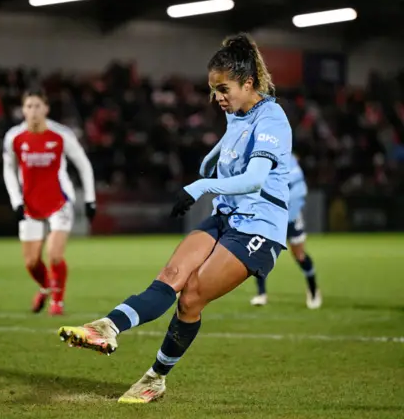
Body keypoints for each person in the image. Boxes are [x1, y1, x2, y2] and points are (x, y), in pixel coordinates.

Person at [57, 33, 292, 403]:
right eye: (213, 90)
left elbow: (256, 178)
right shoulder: (236, 112)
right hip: (227, 218)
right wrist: (214, 158)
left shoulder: (272, 117)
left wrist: (201, 184)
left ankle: (155, 378)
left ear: (249, 83)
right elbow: (231, 142)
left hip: (259, 228)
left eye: (223, 88)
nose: (217, 98)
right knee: (171, 276)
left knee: (191, 297)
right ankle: (106, 327)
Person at [3, 89, 96, 316]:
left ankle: (57, 301)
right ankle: (45, 287)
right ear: (23, 110)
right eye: (29, 106)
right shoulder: (14, 137)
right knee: (32, 262)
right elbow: (9, 170)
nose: (33, 111)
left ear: (46, 109)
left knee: (54, 255)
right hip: (30, 204)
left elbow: (83, 164)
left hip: (59, 200)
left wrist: (90, 199)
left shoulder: (61, 134)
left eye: (37, 106)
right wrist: (16, 201)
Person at [250, 153, 321, 308]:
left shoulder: (289, 160)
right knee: (259, 254)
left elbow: (299, 188)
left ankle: (313, 289)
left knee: (299, 255)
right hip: (269, 215)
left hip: (290, 214)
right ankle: (261, 293)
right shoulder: (261, 158)